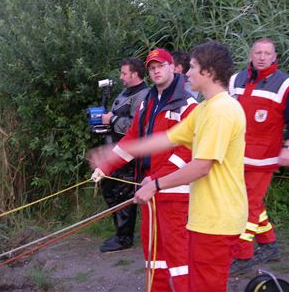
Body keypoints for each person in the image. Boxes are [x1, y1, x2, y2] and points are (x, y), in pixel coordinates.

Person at [90, 41, 248, 292]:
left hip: (215, 215)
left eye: (192, 67)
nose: (186, 72)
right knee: (171, 265)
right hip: (199, 214)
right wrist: (109, 159)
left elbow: (200, 166)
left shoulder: (219, 111)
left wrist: (157, 182)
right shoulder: (204, 108)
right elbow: (165, 139)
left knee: (201, 281)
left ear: (209, 71)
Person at [92, 48, 197, 291]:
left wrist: (157, 180)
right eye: (151, 67)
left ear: (173, 67)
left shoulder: (188, 105)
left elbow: (187, 152)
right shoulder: (148, 102)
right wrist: (105, 167)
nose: (156, 70)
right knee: (154, 254)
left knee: (179, 256)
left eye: (160, 65)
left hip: (175, 190)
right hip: (149, 188)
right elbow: (131, 143)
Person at [228, 38, 289, 274]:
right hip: (236, 155)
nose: (262, 57)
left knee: (246, 206)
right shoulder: (236, 80)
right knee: (253, 203)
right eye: (258, 52)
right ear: (251, 55)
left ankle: (242, 256)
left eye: (267, 53)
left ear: (274, 57)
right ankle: (269, 244)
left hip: (264, 158)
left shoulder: (286, 85)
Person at [99, 57, 149, 253]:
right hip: (115, 151)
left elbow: (137, 126)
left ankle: (125, 238)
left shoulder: (143, 95)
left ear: (135, 74)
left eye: (124, 73)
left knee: (123, 193)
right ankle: (120, 231)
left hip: (130, 155)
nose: (120, 77)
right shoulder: (124, 93)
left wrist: (112, 120)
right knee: (109, 188)